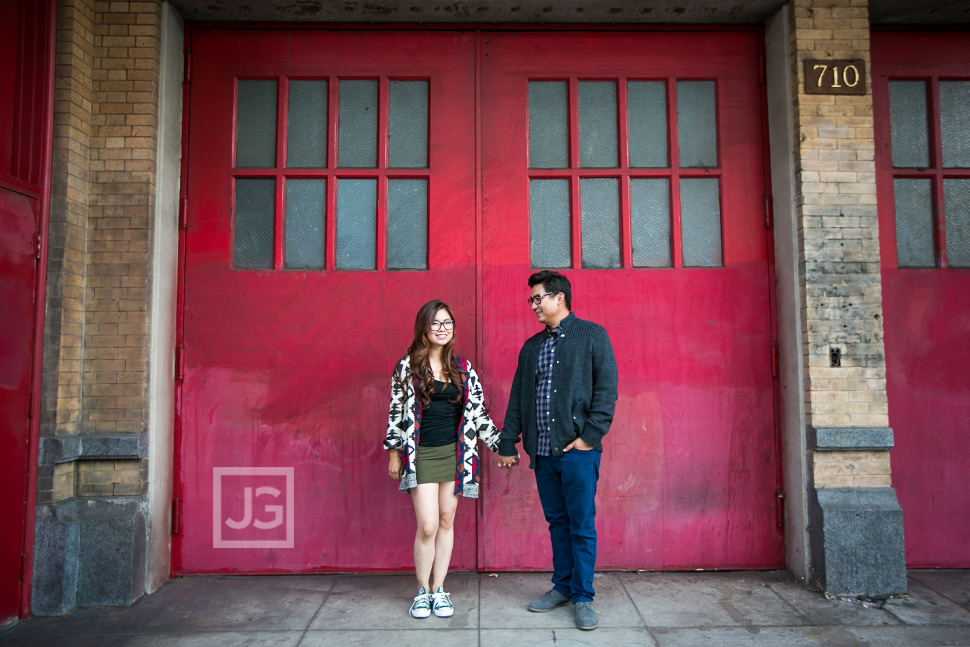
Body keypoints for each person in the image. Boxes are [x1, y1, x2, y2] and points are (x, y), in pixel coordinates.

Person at [497, 270, 618, 631]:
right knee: (558, 523)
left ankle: (582, 596)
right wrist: (508, 440)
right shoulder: (532, 347)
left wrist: (589, 437)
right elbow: (520, 397)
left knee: (580, 525)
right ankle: (562, 586)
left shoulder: (593, 335)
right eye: (531, 299)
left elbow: (607, 391)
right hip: (544, 454)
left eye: (538, 298)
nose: (533, 305)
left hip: (579, 452)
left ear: (559, 298)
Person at [384, 300, 501, 619]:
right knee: (428, 524)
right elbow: (396, 410)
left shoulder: (462, 368)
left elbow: (478, 413)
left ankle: (439, 590)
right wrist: (394, 453)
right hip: (419, 453)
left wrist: (499, 445)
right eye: (435, 323)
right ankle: (421, 591)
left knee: (447, 520)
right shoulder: (407, 366)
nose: (442, 328)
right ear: (424, 327)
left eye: (447, 322)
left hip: (456, 454)